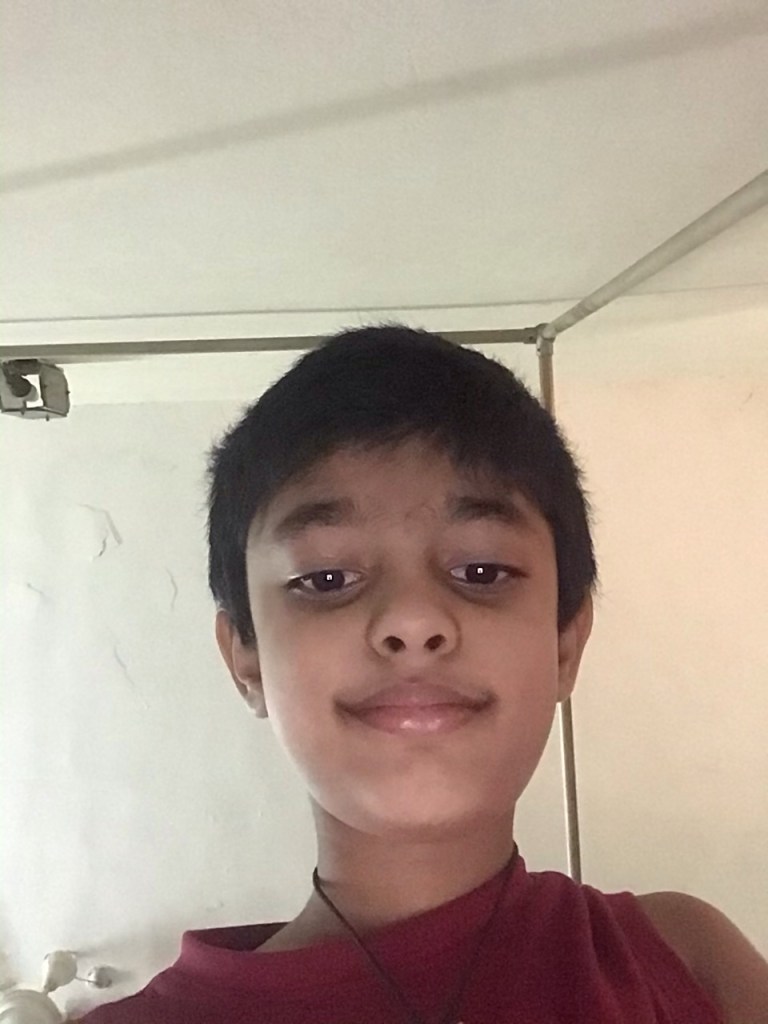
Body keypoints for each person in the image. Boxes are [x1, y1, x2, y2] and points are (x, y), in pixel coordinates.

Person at [79, 326, 768, 1023]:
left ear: (566, 644)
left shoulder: (684, 964)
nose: (412, 620)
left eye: (482, 571)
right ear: (245, 658)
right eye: (327, 579)